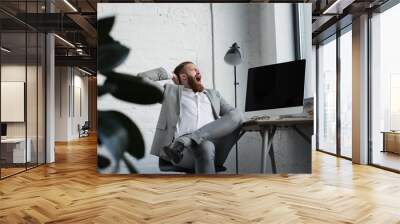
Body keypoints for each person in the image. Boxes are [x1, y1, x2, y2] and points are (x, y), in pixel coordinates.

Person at [138, 61, 243, 174]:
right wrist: (169, 74)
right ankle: (206, 190)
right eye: (193, 69)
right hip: (183, 153)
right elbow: (141, 79)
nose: (198, 71)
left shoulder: (213, 94)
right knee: (205, 146)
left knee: (238, 114)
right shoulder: (170, 93)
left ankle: (188, 140)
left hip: (215, 146)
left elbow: (235, 117)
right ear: (183, 76)